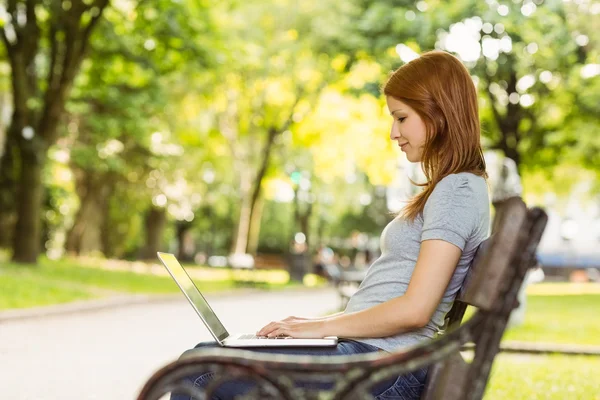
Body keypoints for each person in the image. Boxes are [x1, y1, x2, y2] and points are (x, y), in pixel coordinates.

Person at [170, 50, 490, 400]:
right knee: (200, 357)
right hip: (374, 356)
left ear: (438, 112)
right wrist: (311, 328)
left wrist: (319, 326)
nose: (392, 133)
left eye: (401, 117)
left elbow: (415, 309)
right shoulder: (449, 189)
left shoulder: (457, 190)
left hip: (385, 367)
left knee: (199, 371)